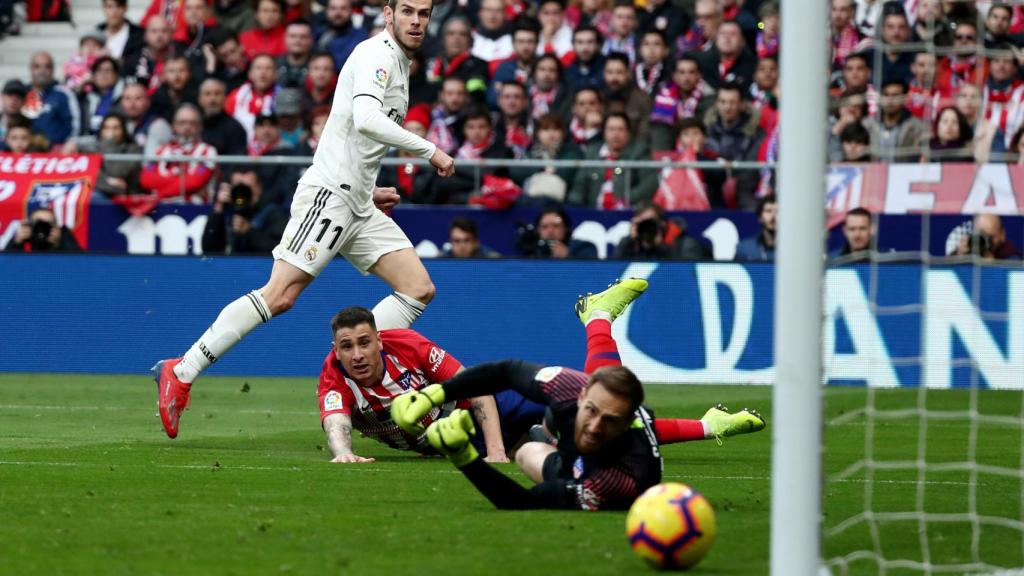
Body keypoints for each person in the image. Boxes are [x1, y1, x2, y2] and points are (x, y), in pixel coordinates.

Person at [152, 0, 457, 440]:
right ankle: (181, 371)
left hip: (359, 201)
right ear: (388, 14)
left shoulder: (398, 63)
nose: (415, 21)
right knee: (280, 295)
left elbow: (352, 134)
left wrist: (370, 188)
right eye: (406, 11)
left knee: (417, 288)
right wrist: (430, 150)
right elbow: (367, 119)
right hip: (331, 195)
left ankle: (357, 373)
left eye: (423, 14)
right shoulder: (376, 54)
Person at [389, 279, 766, 511]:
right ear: (581, 395)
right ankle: (599, 317)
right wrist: (433, 395)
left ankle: (705, 423)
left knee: (530, 450)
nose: (595, 425)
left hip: (586, 467)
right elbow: (505, 371)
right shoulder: (572, 389)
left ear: (626, 423)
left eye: (610, 421)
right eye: (591, 410)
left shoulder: (614, 484)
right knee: (535, 442)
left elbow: (518, 502)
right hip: (569, 432)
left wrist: (464, 458)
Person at [318, 306, 537, 462]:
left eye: (365, 343)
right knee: (532, 448)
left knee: (553, 403)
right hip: (452, 442)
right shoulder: (333, 379)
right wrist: (343, 454)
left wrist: (496, 451)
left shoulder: (408, 346)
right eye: (347, 346)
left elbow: (476, 387)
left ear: (379, 341)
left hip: (484, 410)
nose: (357, 355)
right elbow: (336, 425)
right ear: (336, 350)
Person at [612, 201, 708, 260]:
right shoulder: (629, 243)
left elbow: (686, 274)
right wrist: (630, 242)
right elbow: (612, 271)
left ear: (662, 223)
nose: (647, 227)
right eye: (642, 223)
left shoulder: (685, 244)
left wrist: (660, 246)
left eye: (650, 222)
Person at [22, 52, 80, 148]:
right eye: (37, 66)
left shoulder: (63, 93)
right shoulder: (22, 93)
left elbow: (74, 126)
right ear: (30, 69)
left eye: (47, 66)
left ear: (53, 70)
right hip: (23, 153)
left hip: (56, 153)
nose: (42, 70)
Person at [516, 206, 597, 259]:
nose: (550, 231)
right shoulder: (533, 251)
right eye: (545, 227)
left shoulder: (583, 247)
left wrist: (568, 257)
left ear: (566, 228)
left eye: (556, 226)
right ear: (538, 230)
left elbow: (591, 274)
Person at [4, 207, 83, 252]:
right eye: (38, 223)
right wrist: (16, 243)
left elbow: (82, 265)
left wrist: (59, 244)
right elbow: (6, 267)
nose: (42, 228)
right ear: (30, 227)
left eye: (47, 224)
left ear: (55, 228)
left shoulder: (63, 241)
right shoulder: (22, 241)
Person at [955, 213, 1022, 260]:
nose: (985, 241)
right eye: (980, 235)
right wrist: (958, 258)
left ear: (1002, 235)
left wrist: (993, 266)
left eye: (990, 237)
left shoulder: (1012, 258)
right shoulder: (967, 249)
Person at [735, 193, 776, 261]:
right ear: (760, 217)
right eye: (768, 211)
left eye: (778, 211)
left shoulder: (796, 249)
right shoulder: (744, 249)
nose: (773, 216)